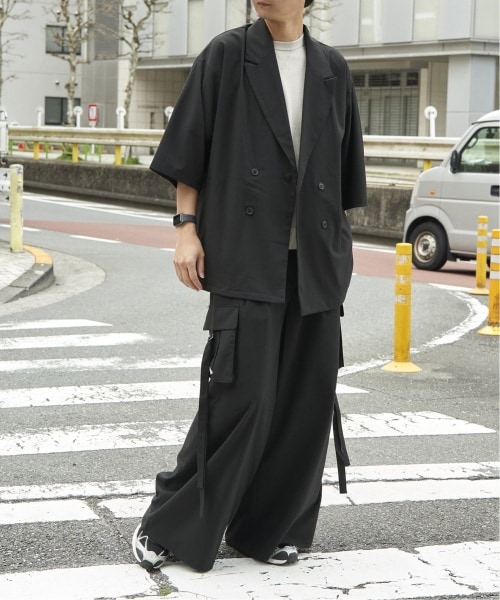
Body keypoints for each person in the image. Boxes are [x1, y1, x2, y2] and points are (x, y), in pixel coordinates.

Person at [132, 0, 367, 573]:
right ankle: (167, 525)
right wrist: (186, 229)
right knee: (242, 398)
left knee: (305, 402)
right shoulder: (227, 55)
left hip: (315, 265)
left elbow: (344, 172)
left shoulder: (332, 68)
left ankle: (270, 528)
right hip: (246, 257)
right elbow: (190, 147)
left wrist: (337, 254)